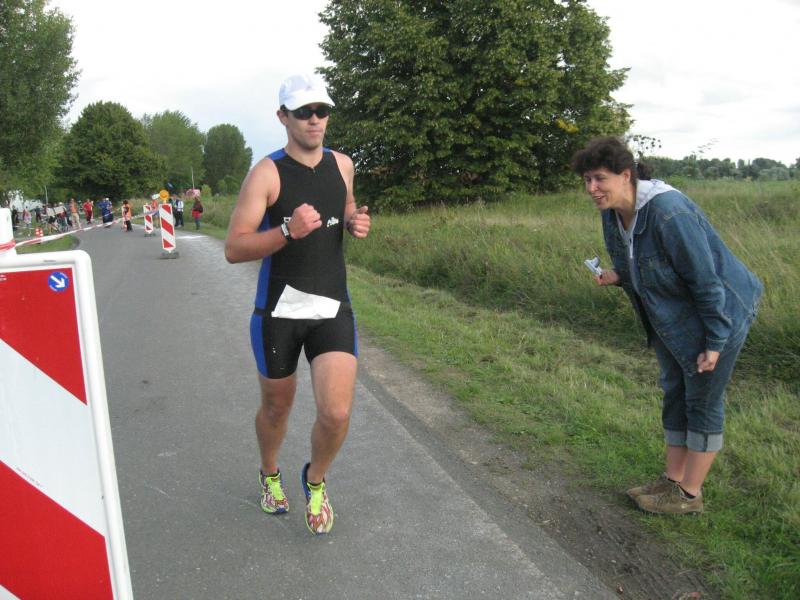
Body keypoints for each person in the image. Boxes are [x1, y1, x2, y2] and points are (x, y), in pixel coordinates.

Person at [571, 137, 762, 515]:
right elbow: (637, 263)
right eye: (587, 180)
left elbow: (706, 281)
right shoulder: (612, 212)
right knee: (675, 391)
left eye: (600, 178)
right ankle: (672, 480)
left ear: (626, 175)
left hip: (720, 311)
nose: (592, 188)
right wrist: (618, 275)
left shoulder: (669, 213)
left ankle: (689, 496)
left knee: (702, 398)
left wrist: (715, 340)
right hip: (672, 316)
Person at [224, 72, 371, 535]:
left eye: (321, 110)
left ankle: (315, 479)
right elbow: (235, 248)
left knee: (337, 412)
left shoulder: (343, 164)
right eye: (304, 111)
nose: (314, 119)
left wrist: (354, 221)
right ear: (282, 117)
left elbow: (345, 207)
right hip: (279, 312)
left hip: (331, 307)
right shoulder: (266, 173)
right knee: (277, 408)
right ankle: (270, 472)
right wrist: (287, 231)